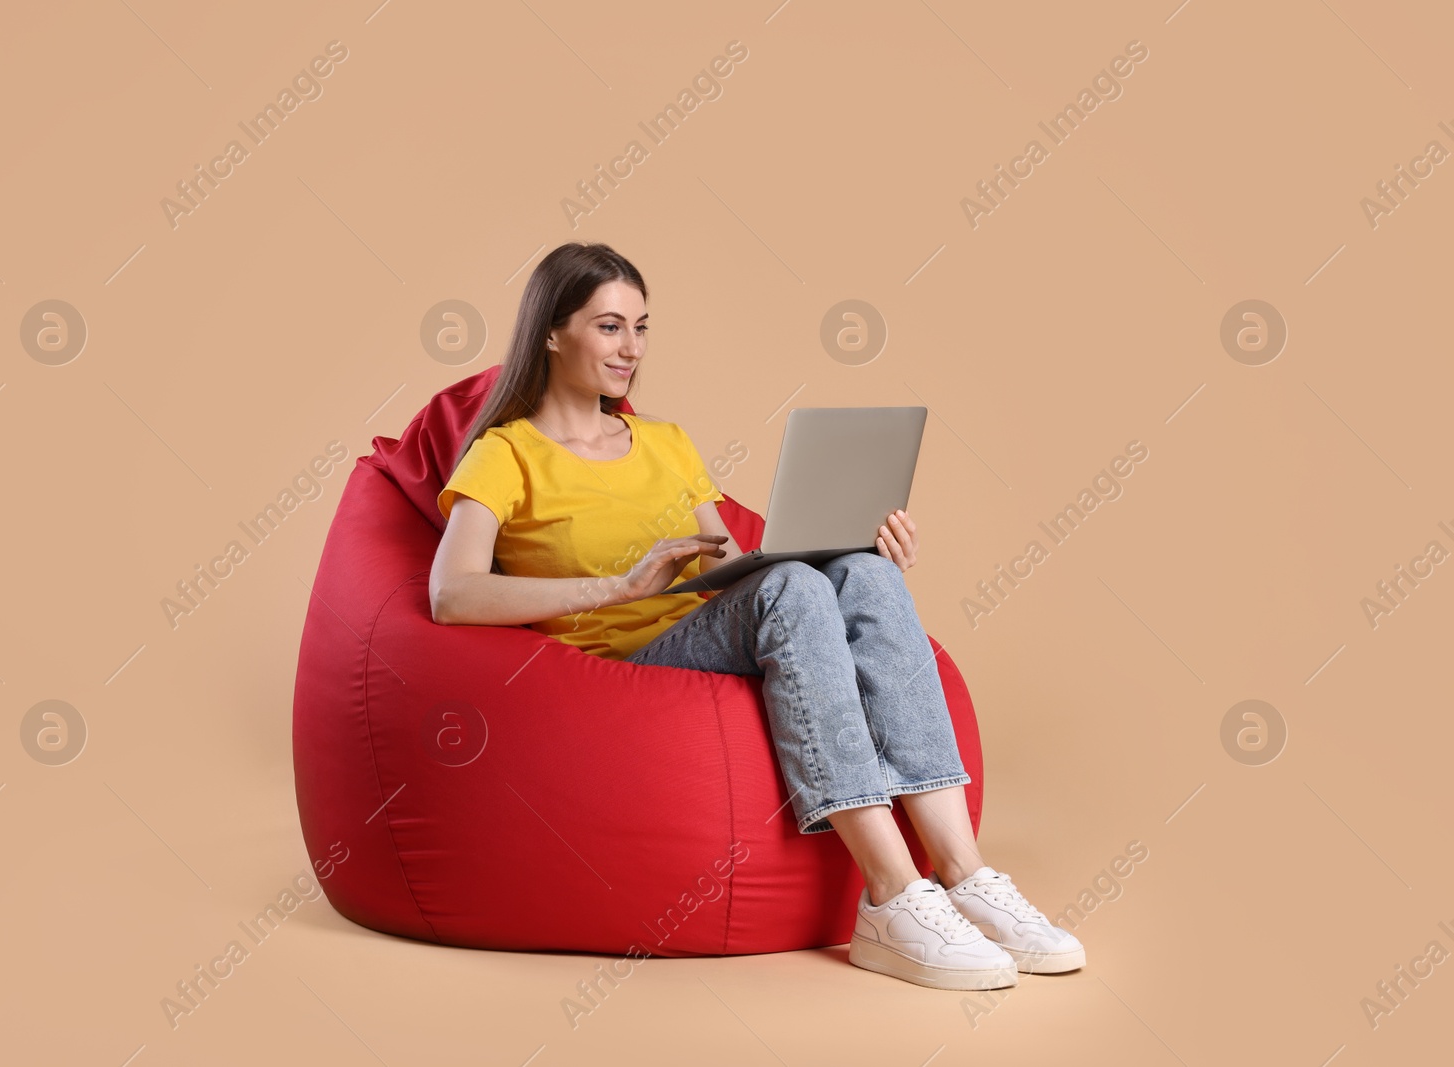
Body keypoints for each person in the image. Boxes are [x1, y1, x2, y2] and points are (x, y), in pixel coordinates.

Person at [429, 242, 1083, 991]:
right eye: (610, 327)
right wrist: (616, 586)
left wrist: (852, 556)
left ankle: (964, 873)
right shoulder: (507, 453)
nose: (631, 349)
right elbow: (452, 593)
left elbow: (729, 569)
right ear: (552, 330)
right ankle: (892, 893)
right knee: (797, 590)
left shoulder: (667, 443)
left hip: (701, 633)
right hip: (621, 666)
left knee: (856, 573)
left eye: (642, 327)